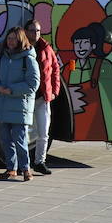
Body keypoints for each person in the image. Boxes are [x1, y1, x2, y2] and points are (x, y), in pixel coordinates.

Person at [0, 27, 41, 181]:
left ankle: (26, 169)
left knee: (20, 139)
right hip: (3, 105)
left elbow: (33, 84)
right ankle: (11, 168)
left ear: (20, 40)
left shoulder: (29, 59)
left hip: (19, 107)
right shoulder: (3, 57)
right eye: (9, 38)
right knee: (5, 139)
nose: (10, 41)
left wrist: (11, 90)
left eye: (14, 38)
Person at [25, 18, 62, 175]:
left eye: (38, 30)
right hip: (25, 98)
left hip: (42, 98)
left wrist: (55, 91)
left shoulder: (46, 48)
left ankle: (40, 162)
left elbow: (55, 69)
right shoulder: (22, 48)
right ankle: (22, 164)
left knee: (43, 131)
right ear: (26, 32)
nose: (36, 33)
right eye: (33, 30)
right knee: (23, 132)